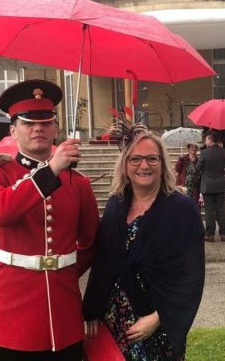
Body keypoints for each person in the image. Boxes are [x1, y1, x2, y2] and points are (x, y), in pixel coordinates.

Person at [0, 79, 99, 360]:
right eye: (28, 123)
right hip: (10, 317)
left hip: (63, 315)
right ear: (13, 130)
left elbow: (90, 243)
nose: (38, 128)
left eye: (45, 121)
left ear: (55, 128)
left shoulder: (77, 183)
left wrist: (59, 270)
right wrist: (51, 170)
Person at [83, 123, 205, 360]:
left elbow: (191, 277)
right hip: (113, 321)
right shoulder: (115, 205)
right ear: (125, 165)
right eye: (135, 159)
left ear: (162, 164)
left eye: (152, 158)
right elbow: (103, 262)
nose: (144, 166)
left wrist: (158, 317)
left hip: (155, 323)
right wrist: (91, 308)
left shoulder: (182, 210)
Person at [197, 131, 225, 242]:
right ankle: (224, 234)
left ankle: (210, 234)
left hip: (208, 185)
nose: (205, 142)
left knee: (209, 210)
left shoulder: (204, 153)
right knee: (221, 209)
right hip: (220, 184)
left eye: (206, 140)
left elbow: (198, 168)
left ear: (210, 140)